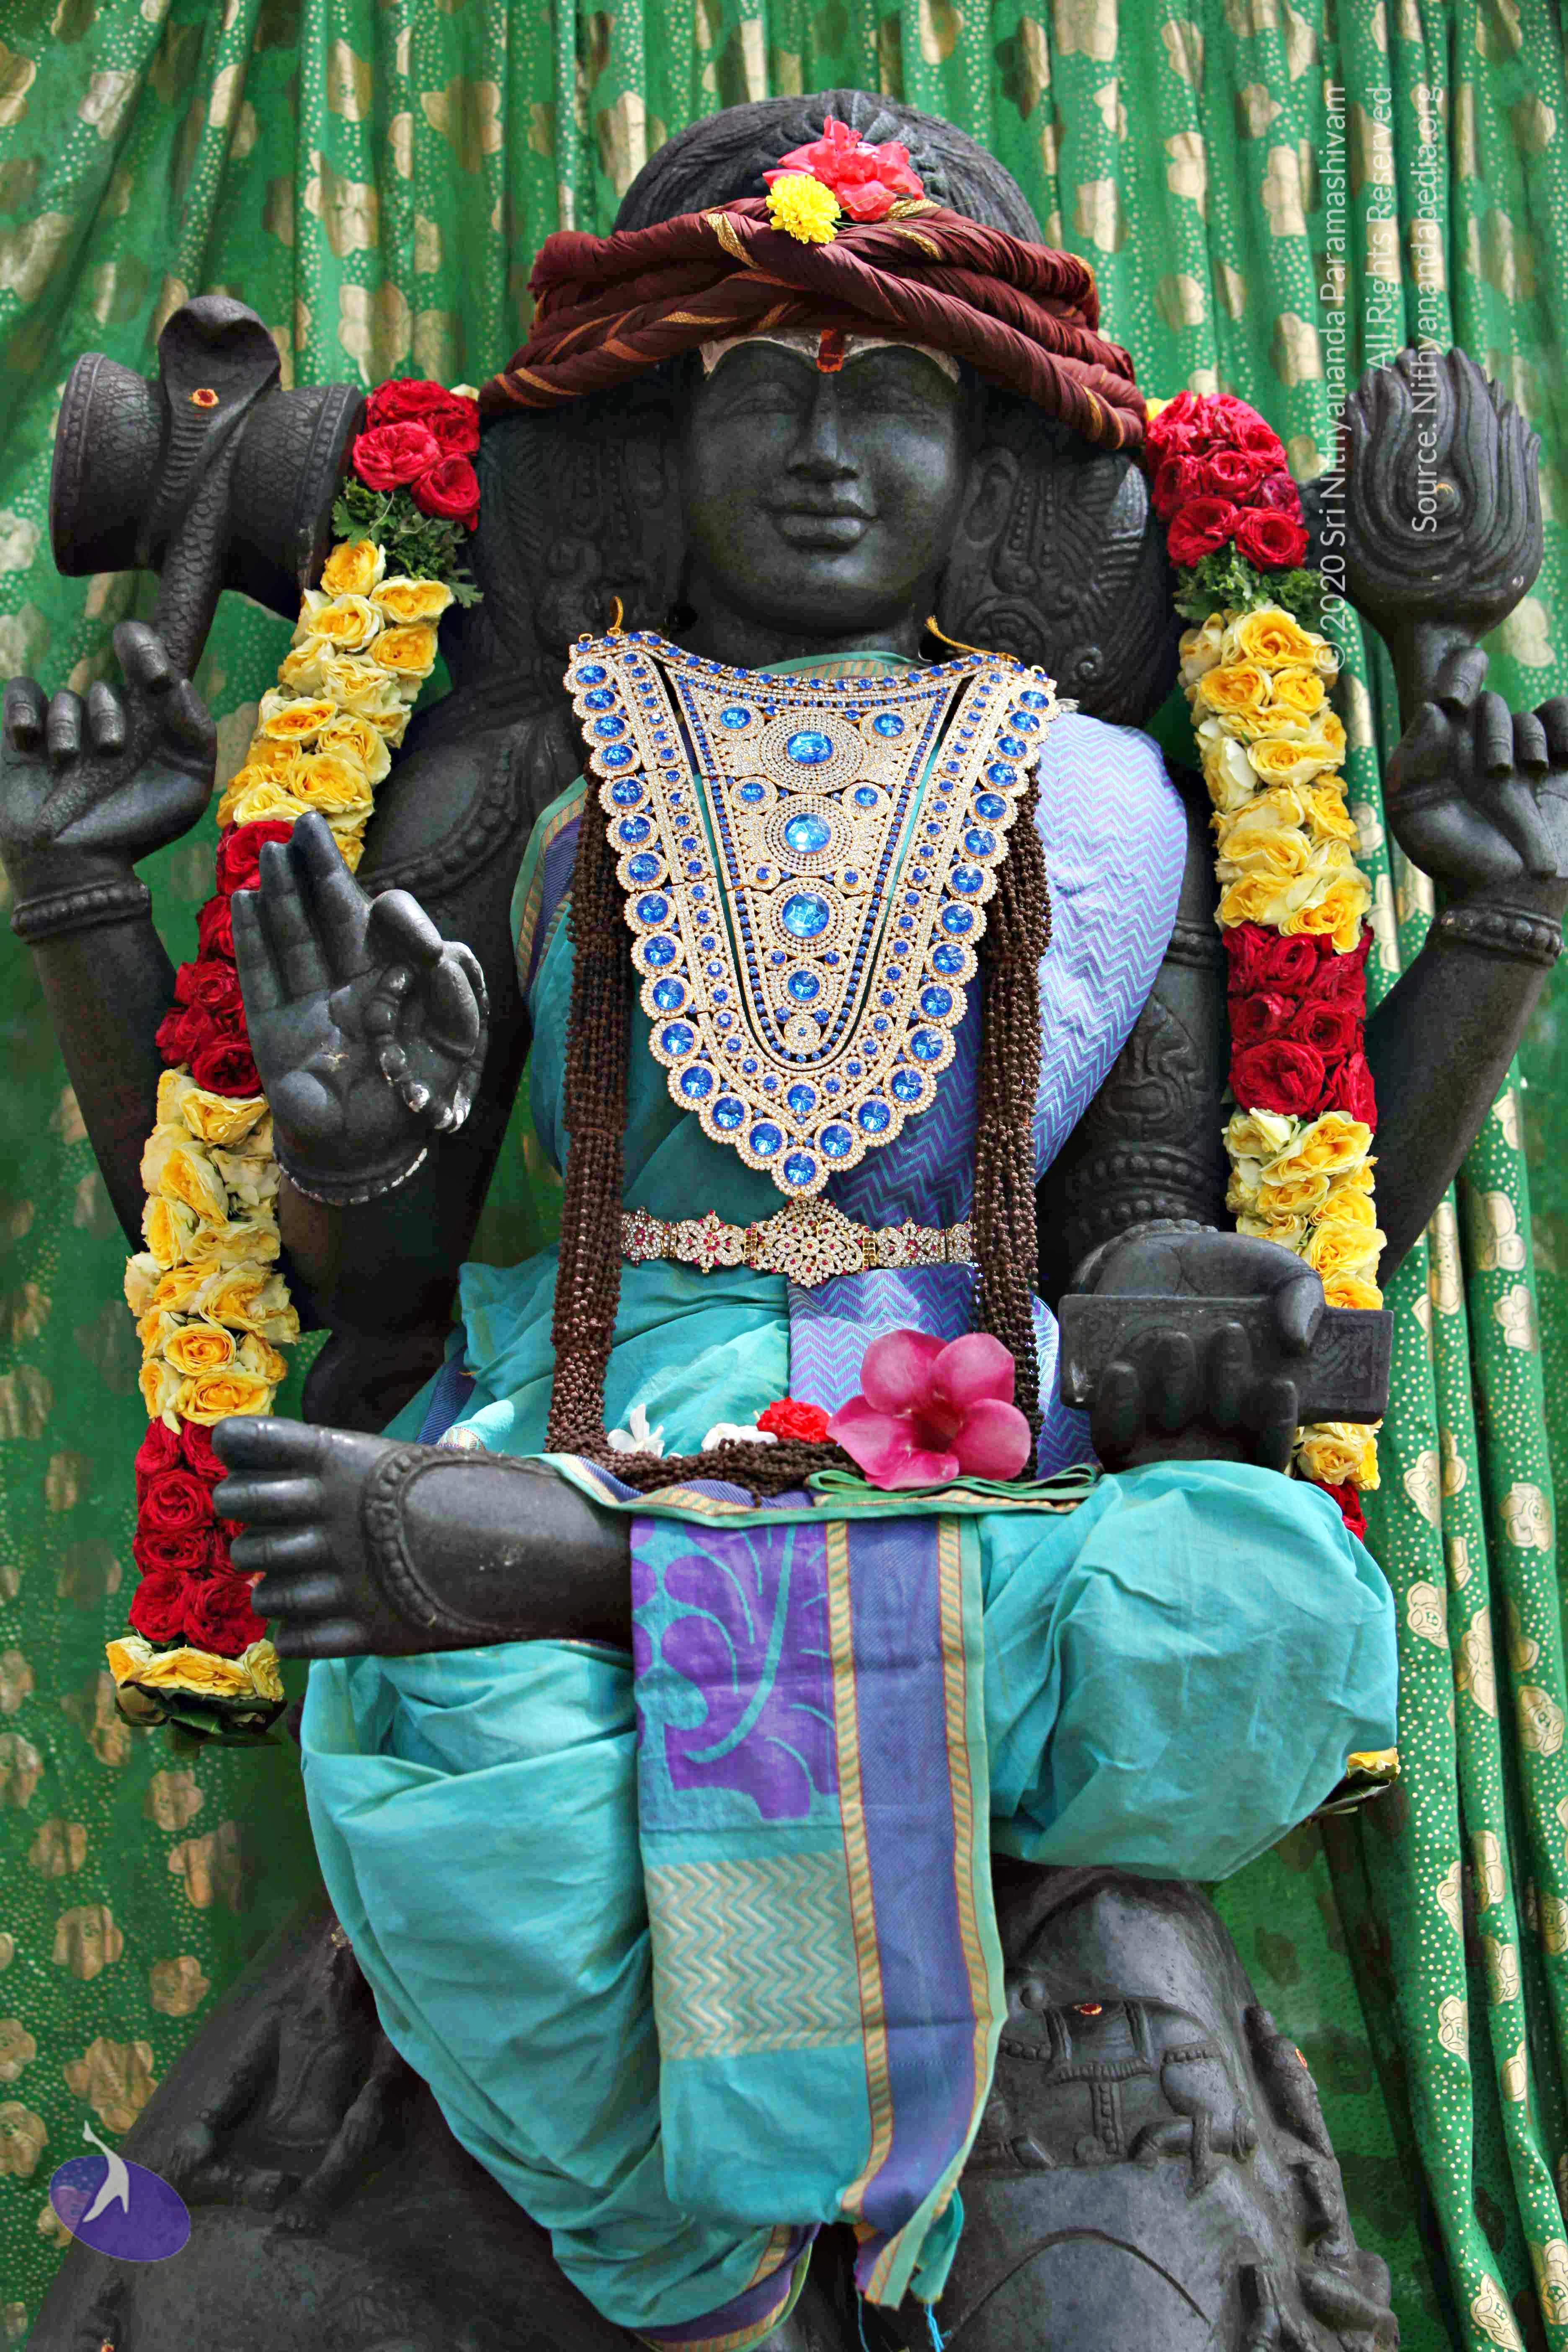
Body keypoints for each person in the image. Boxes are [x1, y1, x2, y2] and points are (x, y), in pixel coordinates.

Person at [206, 118, 1397, 2352]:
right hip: (601, 1394)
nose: (828, 451)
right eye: (761, 386)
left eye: (896, 400)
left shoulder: (1109, 792)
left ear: (996, 473)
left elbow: (1139, 1215)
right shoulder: (512, 779)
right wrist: (362, 1151)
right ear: (662, 445)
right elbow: (383, 1283)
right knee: (453, 1748)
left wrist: (1199, 1301)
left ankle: (630, 1591)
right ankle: (710, 2272)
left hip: (979, 1420)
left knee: (1268, 1608)